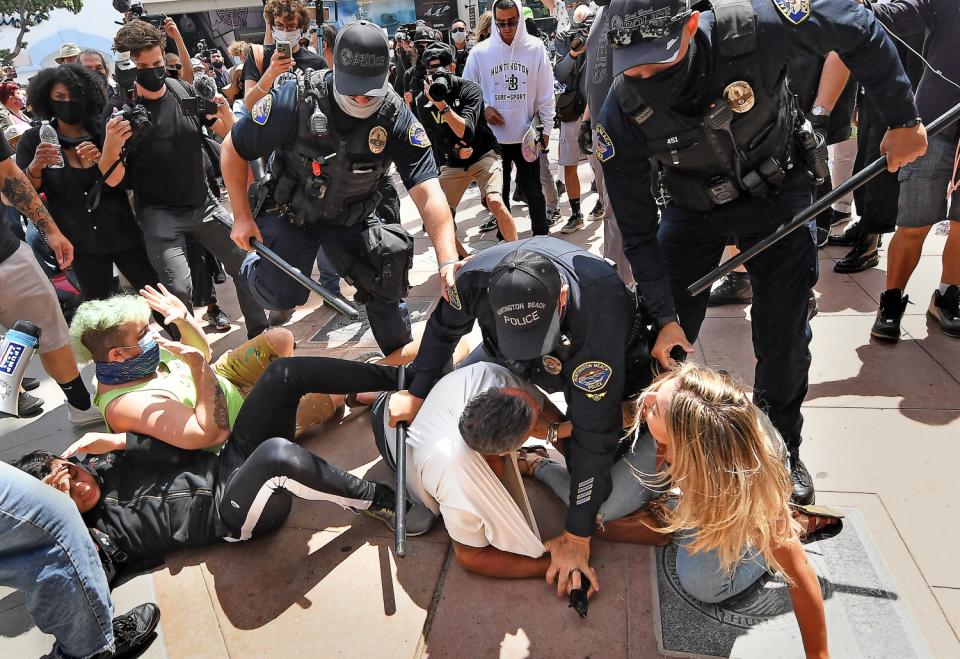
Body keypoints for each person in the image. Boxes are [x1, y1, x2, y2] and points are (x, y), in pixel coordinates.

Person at [597, 0, 927, 508]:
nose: (642, 73)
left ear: (690, 25)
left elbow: (858, 27)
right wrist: (663, 315)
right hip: (691, 210)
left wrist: (903, 118)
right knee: (657, 333)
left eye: (656, 58)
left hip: (779, 193)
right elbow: (637, 231)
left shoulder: (752, 29)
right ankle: (660, 449)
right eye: (631, 60)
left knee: (783, 334)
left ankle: (780, 451)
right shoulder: (620, 109)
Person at [389, 236, 655, 599]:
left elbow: (594, 432)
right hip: (505, 361)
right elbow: (441, 329)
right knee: (463, 395)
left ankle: (564, 482)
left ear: (561, 298)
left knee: (596, 473)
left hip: (588, 355)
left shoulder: (599, 309)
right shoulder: (473, 280)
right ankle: (384, 388)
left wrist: (577, 535)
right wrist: (417, 394)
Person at [525, 363, 841, 656]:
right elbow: (640, 410)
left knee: (702, 584)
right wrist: (552, 434)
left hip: (735, 496)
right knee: (600, 508)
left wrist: (819, 655)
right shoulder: (684, 393)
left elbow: (800, 575)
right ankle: (676, 509)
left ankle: (780, 528)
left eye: (654, 407)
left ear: (684, 445)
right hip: (688, 453)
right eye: (660, 391)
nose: (646, 397)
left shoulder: (745, 485)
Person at [222, 20, 459, 357]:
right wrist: (242, 217)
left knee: (385, 281)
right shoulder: (295, 98)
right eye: (353, 87)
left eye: (370, 89)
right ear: (333, 64)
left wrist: (447, 260)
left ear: (387, 74)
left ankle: (403, 365)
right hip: (292, 212)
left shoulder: (394, 116)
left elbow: (429, 191)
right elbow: (233, 148)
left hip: (352, 215)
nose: (362, 97)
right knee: (282, 293)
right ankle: (252, 269)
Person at [98, 19, 268, 340]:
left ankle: (260, 337)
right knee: (177, 289)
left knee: (246, 264)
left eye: (158, 63)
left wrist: (223, 112)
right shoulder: (121, 110)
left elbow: (228, 134)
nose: (153, 71)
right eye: (143, 66)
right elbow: (113, 179)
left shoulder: (183, 91)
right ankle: (188, 351)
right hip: (160, 215)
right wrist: (110, 146)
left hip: (204, 203)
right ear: (129, 67)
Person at [69, 288, 339, 446]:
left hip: (222, 381)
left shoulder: (135, 357)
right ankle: (282, 414)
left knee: (279, 339)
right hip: (237, 428)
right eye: (143, 331)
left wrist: (185, 320)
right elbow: (211, 435)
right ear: (117, 354)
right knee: (334, 393)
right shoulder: (125, 405)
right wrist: (199, 369)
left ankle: (282, 398)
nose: (153, 332)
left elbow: (202, 353)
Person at [18, 64, 159, 303]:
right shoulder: (36, 140)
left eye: (75, 95)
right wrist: (36, 166)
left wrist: (103, 159)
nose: (68, 102)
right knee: (101, 315)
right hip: (80, 246)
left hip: (123, 234)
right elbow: (26, 192)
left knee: (157, 298)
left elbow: (127, 180)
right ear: (46, 99)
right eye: (60, 97)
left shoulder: (103, 132)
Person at [865, 0, 960, 341]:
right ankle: (892, 300)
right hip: (935, 123)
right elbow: (895, 13)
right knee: (914, 223)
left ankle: (948, 297)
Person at [0, 461, 161, 659]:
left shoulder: (108, 465)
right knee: (54, 522)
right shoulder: (95, 533)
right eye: (67, 489)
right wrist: (63, 506)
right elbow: (91, 574)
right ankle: (91, 651)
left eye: (74, 474)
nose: (82, 488)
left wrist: (120, 440)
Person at [0, 134, 101, 423]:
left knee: (49, 331)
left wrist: (50, 229)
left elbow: (7, 174)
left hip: (6, 255)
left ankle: (80, 405)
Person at [464, 0, 556, 237]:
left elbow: (546, 94)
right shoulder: (479, 53)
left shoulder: (535, 49)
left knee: (534, 191)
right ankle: (504, 242)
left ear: (521, 20)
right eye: (501, 23)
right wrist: (484, 108)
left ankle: (541, 239)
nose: (506, 28)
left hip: (528, 134)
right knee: (499, 194)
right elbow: (466, 93)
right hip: (494, 140)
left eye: (512, 22)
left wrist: (546, 129)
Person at [413, 42, 517, 244]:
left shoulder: (469, 89)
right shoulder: (421, 101)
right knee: (436, 213)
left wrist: (442, 106)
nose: (435, 76)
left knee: (495, 201)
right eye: (431, 70)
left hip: (484, 154)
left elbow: (466, 131)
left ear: (452, 68)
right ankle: (456, 259)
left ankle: (516, 250)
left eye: (440, 70)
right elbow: (433, 140)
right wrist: (453, 152)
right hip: (453, 163)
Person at [552, 5, 593, 234]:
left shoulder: (601, 32)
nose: (584, 33)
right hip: (572, 108)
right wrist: (574, 52)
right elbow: (559, 73)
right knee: (568, 163)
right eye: (580, 28)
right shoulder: (563, 38)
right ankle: (576, 213)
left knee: (602, 163)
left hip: (596, 105)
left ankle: (604, 203)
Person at [243, 0, 326, 112]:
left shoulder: (317, 62)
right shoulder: (258, 56)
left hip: (301, 127)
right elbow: (249, 105)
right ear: (272, 27)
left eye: (291, 26)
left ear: (301, 28)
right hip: (269, 129)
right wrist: (271, 73)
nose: (285, 31)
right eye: (279, 25)